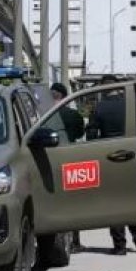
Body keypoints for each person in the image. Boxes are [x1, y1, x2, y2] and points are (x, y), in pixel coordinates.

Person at [90, 75, 136, 255]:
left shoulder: (98, 108)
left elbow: (91, 136)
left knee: (113, 202)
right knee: (132, 199)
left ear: (103, 89)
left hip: (108, 158)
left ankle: (120, 245)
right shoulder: (132, 106)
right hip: (130, 158)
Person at [50, 82, 86, 253]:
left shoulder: (43, 116)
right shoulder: (73, 115)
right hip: (70, 160)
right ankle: (75, 242)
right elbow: (80, 134)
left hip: (48, 162)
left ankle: (52, 242)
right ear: (65, 97)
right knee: (74, 203)